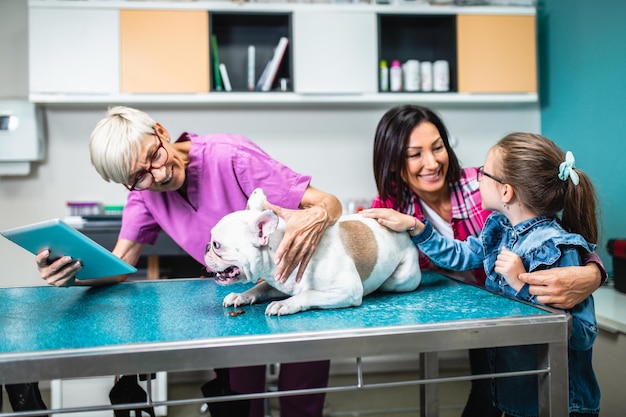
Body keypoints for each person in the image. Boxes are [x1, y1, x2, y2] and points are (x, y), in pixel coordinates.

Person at [35, 106, 342, 417]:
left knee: (301, 399)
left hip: (296, 279)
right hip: (236, 299)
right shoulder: (144, 195)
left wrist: (316, 218)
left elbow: (328, 203)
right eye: (139, 176)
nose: (159, 174)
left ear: (160, 131)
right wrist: (71, 275)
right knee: (240, 402)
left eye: (155, 156)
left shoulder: (230, 155)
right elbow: (122, 263)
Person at [361, 105, 605, 416]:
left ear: (505, 191)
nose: (432, 162)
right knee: (491, 391)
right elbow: (462, 253)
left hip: (553, 385)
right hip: (504, 350)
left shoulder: (493, 197)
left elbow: (572, 318)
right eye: (415, 154)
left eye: (438, 148)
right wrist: (417, 228)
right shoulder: (494, 225)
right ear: (394, 162)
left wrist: (591, 272)